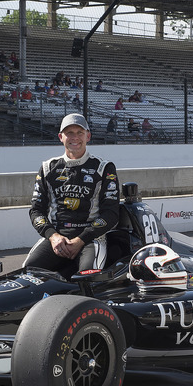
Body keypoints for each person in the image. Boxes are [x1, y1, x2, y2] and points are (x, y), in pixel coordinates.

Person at [24, 113, 120, 276]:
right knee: (28, 273)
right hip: (57, 238)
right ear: (61, 137)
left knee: (88, 278)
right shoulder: (48, 168)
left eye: (79, 133)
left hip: (91, 239)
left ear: (88, 136)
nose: (75, 138)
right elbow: (36, 211)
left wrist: (80, 240)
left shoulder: (104, 168)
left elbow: (111, 214)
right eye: (69, 133)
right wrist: (53, 236)